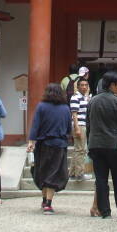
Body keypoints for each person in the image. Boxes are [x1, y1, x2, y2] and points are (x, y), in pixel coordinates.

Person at [87, 71, 117, 219]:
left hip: (96, 144)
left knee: (101, 179)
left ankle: (105, 211)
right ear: (112, 85)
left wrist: (89, 143)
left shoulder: (92, 101)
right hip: (115, 144)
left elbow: (88, 124)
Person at [27, 83, 72, 215]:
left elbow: (35, 125)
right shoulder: (65, 108)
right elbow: (69, 128)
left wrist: (31, 142)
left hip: (43, 144)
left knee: (43, 171)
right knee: (54, 172)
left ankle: (44, 200)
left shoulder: (41, 107)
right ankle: (48, 203)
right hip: (60, 144)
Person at [69, 77, 93, 182]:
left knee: (77, 149)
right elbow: (74, 113)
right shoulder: (75, 97)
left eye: (86, 85)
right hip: (79, 125)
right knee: (81, 150)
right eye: (82, 85)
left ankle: (73, 173)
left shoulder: (84, 97)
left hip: (82, 125)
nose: (84, 87)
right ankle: (80, 174)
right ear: (78, 87)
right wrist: (77, 128)